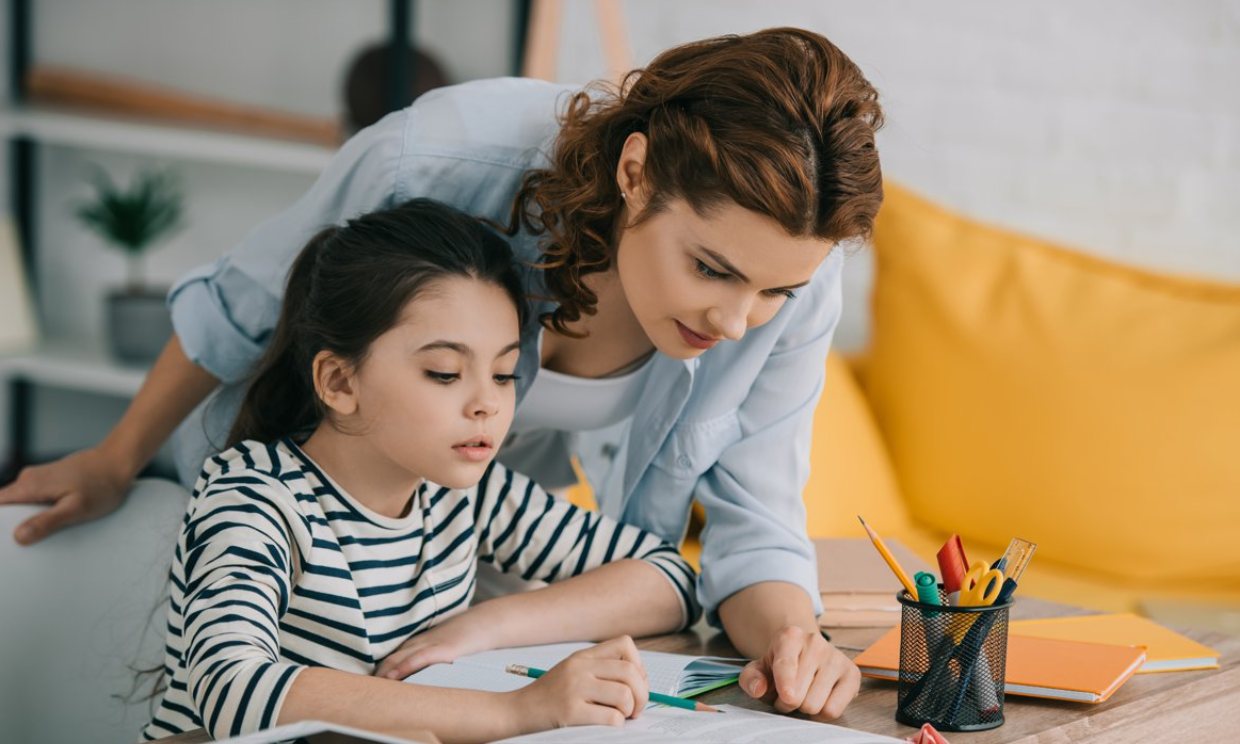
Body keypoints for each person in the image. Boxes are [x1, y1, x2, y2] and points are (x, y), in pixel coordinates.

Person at [1, 28, 884, 720]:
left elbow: (734, 531)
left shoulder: (469, 487)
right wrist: (117, 455)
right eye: (713, 270)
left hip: (439, 560)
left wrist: (793, 641)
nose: (735, 323)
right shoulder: (441, 158)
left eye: (775, 290)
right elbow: (244, 308)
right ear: (635, 173)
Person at [140, 198, 699, 742]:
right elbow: (232, 690)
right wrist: (518, 711)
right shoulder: (254, 493)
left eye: (504, 374)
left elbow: (669, 577)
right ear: (339, 381)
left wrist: (483, 625)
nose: (488, 404)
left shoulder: (465, 493)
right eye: (444, 373)